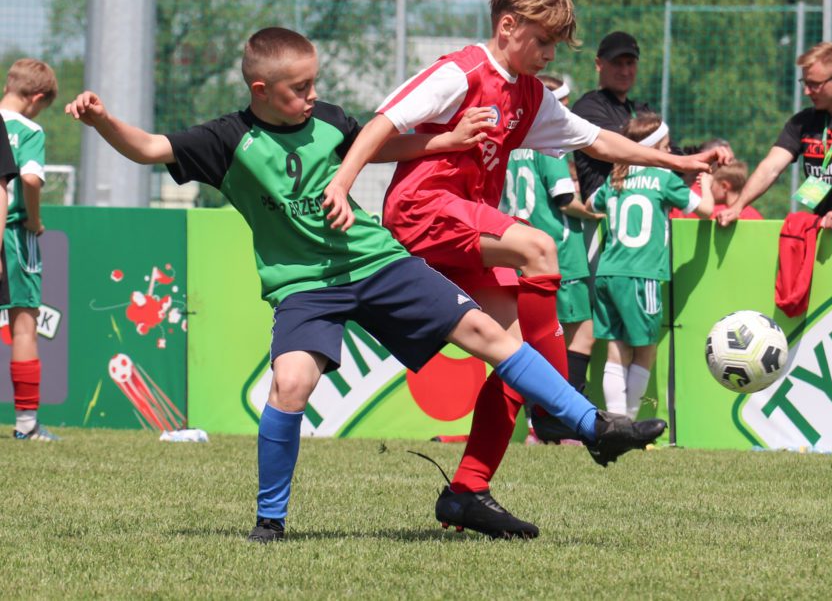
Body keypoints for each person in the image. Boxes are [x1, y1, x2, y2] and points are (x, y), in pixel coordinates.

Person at [65, 27, 668, 543]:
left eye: (314, 83)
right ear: (261, 90)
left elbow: (380, 146)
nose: (313, 95)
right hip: (305, 287)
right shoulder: (226, 140)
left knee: (487, 334)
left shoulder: (328, 121)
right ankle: (269, 523)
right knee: (290, 384)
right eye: (299, 87)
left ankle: (592, 426)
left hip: (376, 263)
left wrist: (444, 140)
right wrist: (103, 120)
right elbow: (149, 149)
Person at [322, 0, 730, 537]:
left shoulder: (530, 95)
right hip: (423, 210)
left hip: (464, 227)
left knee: (518, 362)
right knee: (539, 245)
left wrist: (677, 162)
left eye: (555, 45)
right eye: (542, 41)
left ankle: (468, 490)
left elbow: (596, 140)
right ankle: (563, 409)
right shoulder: (461, 72)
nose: (548, 54)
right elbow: (381, 127)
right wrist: (342, 184)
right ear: (508, 26)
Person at [589, 114, 712, 418]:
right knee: (646, 350)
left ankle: (615, 421)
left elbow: (592, 204)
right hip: (641, 274)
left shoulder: (615, 178)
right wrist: (706, 184)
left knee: (616, 349)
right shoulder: (663, 178)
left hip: (608, 272)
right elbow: (706, 210)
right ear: (652, 148)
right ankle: (629, 421)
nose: (669, 153)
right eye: (665, 147)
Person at [501, 75, 602, 441]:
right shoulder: (548, 142)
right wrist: (598, 212)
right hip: (557, 252)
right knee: (581, 336)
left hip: (516, 250)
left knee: (530, 343)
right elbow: (564, 198)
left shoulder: (509, 142)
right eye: (564, 104)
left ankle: (535, 425)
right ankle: (567, 422)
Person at [717, 41, 832, 230]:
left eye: (814, 84)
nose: (807, 91)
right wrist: (738, 207)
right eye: (805, 83)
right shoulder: (803, 121)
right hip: (824, 227)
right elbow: (771, 167)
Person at [1, 59, 59, 441]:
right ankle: (26, 424)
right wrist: (34, 221)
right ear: (37, 98)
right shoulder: (29, 130)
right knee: (24, 326)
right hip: (14, 234)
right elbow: (30, 178)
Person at [570, 31, 651, 202]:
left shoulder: (641, 110)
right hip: (603, 212)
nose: (625, 71)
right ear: (599, 64)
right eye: (617, 63)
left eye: (630, 63)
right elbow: (619, 144)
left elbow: (673, 151)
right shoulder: (587, 108)